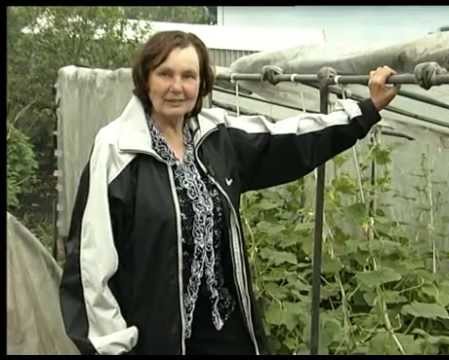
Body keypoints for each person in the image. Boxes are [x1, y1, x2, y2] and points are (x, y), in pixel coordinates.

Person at [59, 30, 398, 355]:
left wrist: (365, 110)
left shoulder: (216, 137)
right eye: (165, 74)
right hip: (156, 339)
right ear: (145, 79)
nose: (177, 87)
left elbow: (291, 137)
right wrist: (112, 347)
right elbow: (92, 263)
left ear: (201, 83)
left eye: (189, 76)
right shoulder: (118, 148)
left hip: (225, 332)